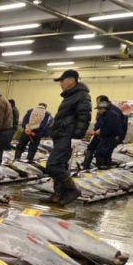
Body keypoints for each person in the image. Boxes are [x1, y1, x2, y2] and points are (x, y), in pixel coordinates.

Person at [44, 69, 92, 205]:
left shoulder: (81, 95)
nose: (61, 84)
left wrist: (77, 136)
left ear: (72, 80)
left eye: (62, 81)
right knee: (60, 164)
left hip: (68, 135)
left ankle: (73, 189)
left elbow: (84, 116)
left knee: (52, 166)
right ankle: (57, 195)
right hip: (61, 135)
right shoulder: (71, 95)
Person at [86, 95, 125, 169]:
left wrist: (100, 132)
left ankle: (102, 169)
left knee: (101, 153)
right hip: (104, 135)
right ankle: (93, 165)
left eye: (99, 108)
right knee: (97, 150)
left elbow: (111, 126)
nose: (98, 110)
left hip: (109, 136)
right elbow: (102, 123)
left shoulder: (112, 113)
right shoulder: (106, 113)